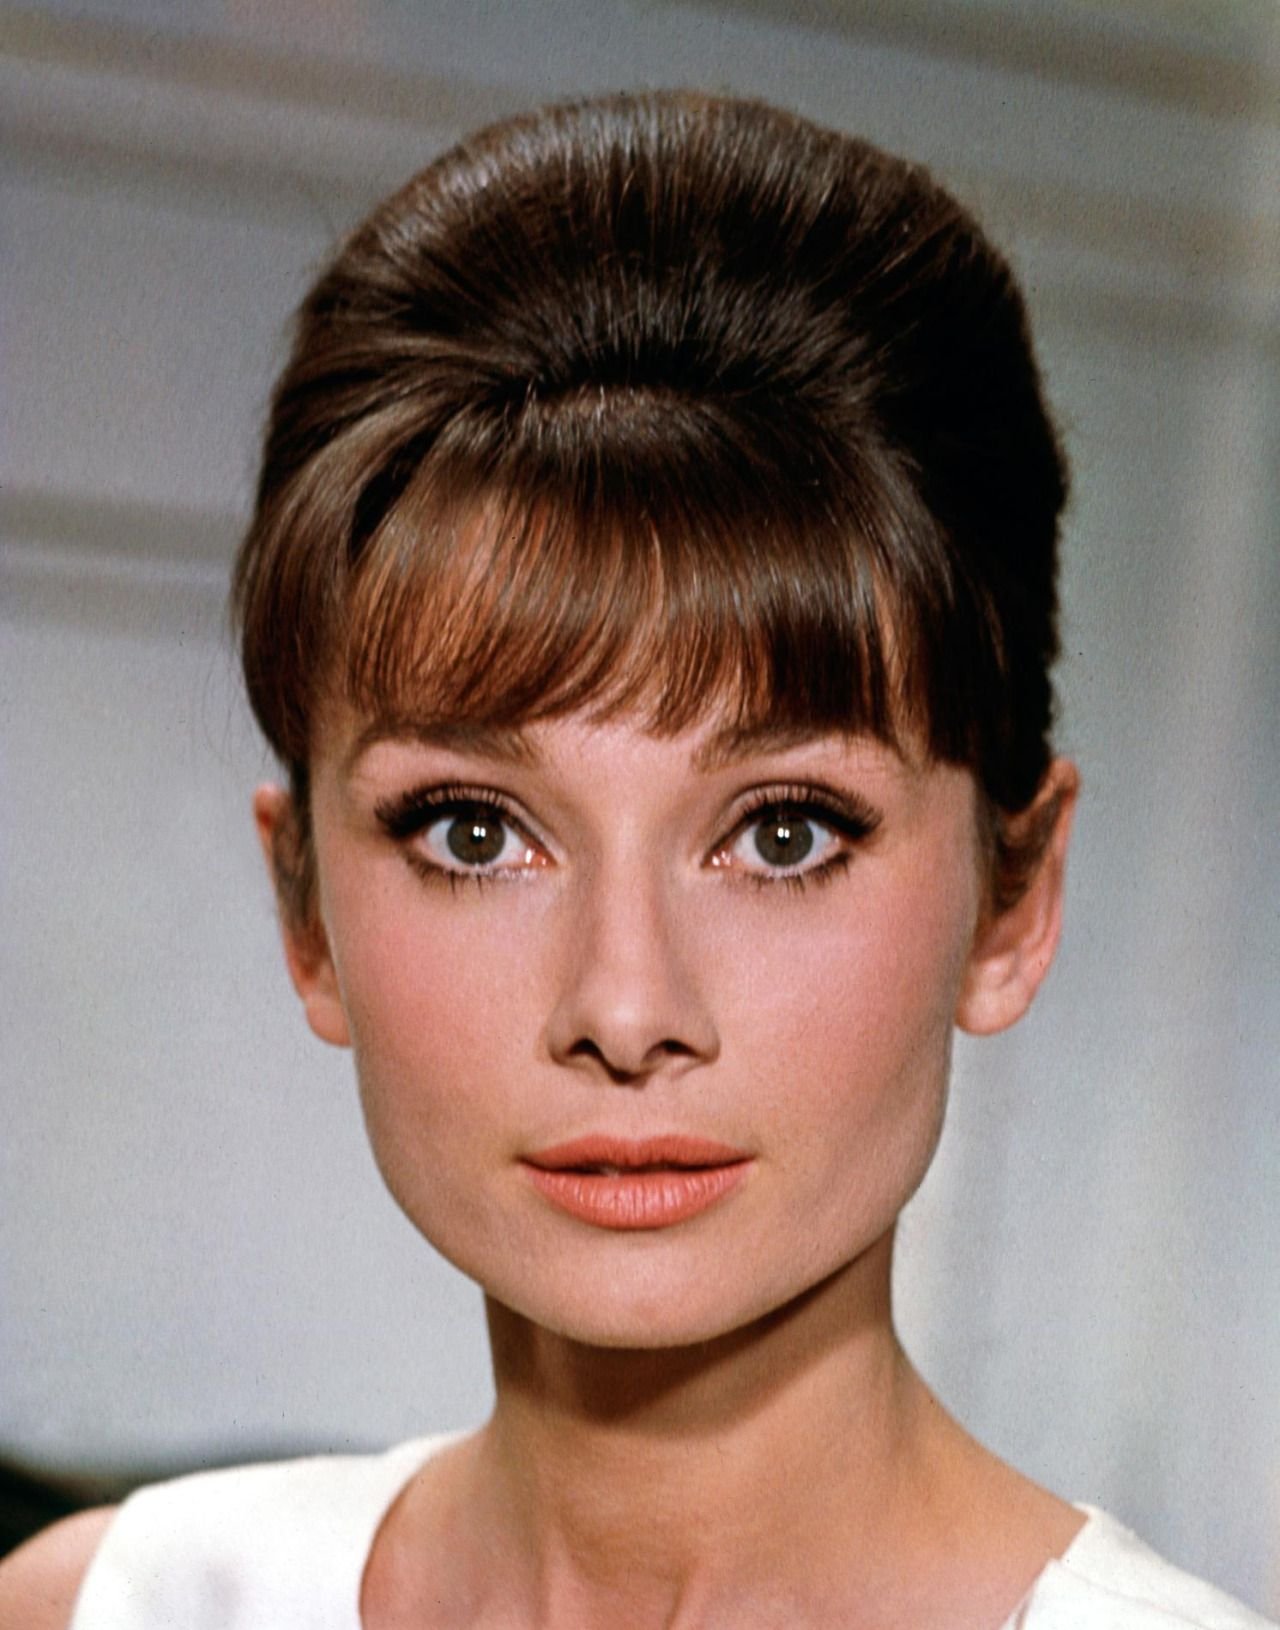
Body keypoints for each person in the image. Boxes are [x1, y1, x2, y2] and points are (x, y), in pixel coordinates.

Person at [1, 90, 1272, 1630]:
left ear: (1015, 901)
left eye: (785, 832)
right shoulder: (109, 1608)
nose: (624, 1007)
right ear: (306, 908)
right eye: (474, 830)